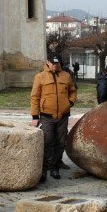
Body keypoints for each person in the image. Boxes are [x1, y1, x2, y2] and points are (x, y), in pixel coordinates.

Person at [30, 52, 77, 182]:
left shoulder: (66, 76)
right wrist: (35, 116)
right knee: (47, 142)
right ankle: (43, 171)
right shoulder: (40, 77)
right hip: (46, 117)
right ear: (48, 62)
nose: (55, 65)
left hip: (63, 116)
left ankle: (55, 167)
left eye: (57, 63)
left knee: (60, 143)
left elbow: (73, 91)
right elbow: (35, 97)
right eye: (52, 63)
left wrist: (70, 103)